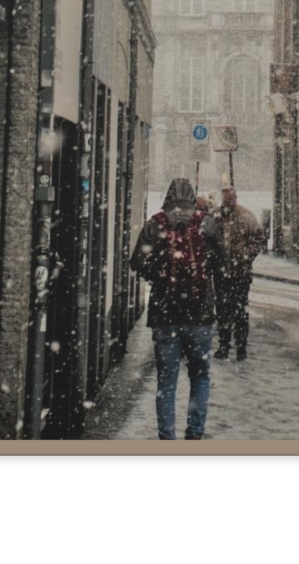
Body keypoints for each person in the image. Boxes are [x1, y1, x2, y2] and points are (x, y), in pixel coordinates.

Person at [130, 178, 224, 440]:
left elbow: (137, 262)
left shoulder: (155, 224)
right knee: (200, 377)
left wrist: (158, 276)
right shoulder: (206, 224)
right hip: (200, 315)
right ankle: (194, 434)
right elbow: (222, 262)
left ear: (168, 197)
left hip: (165, 315)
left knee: (166, 382)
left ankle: (167, 438)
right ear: (193, 198)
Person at [213, 185, 265, 361]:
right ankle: (224, 345)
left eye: (231, 198)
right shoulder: (215, 216)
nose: (228, 201)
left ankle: (241, 346)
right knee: (222, 311)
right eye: (225, 198)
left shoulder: (246, 216)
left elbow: (258, 238)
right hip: (221, 274)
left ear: (236, 198)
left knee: (239, 311)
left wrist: (245, 257)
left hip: (240, 274)